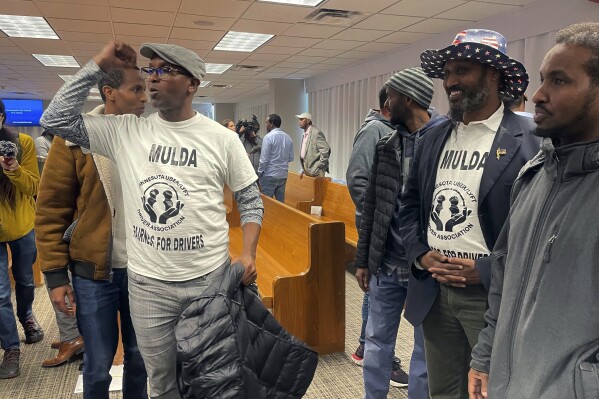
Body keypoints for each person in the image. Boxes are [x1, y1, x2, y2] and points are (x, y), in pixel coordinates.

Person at [40, 41, 263, 399]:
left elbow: (251, 200)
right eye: (151, 71)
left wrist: (249, 252)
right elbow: (55, 120)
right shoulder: (126, 131)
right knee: (159, 381)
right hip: (148, 287)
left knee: (211, 374)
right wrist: (98, 64)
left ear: (192, 84)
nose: (154, 79)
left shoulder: (222, 139)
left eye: (165, 71)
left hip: (208, 280)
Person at [398, 29, 540, 399]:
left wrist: (487, 270)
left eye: (462, 70)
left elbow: (539, 228)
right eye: (446, 73)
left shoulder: (532, 140)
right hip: (434, 291)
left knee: (495, 390)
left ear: (493, 75)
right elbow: (410, 204)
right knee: (443, 390)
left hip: (492, 296)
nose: (450, 82)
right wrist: (420, 253)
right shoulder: (432, 136)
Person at [469, 22, 599, 399]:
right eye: (543, 79)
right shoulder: (534, 175)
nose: (538, 95)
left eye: (559, 81)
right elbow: (504, 275)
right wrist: (485, 355)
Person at [36, 68, 148, 398]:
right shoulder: (71, 139)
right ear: (110, 92)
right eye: (136, 89)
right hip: (94, 272)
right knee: (97, 365)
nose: (145, 97)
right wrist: (55, 277)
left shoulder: (150, 138)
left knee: (140, 360)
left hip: (144, 271)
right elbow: (50, 210)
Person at [355, 68, 441, 398]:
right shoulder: (385, 144)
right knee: (377, 343)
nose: (385, 105)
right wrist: (363, 259)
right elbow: (373, 208)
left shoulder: (444, 139)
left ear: (408, 98)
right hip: (387, 264)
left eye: (390, 96)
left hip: (426, 267)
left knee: (424, 351)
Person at [346, 87, 395, 367]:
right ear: (389, 104)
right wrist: (381, 215)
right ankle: (366, 347)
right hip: (375, 223)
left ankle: (368, 347)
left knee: (379, 286)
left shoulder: (393, 131)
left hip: (385, 224)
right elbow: (357, 179)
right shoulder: (374, 130)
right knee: (376, 287)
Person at [0, 99, 44, 379]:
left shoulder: (22, 142)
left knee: (25, 280)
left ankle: (26, 314)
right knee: (0, 293)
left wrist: (12, 167)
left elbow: (34, 186)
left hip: (21, 225)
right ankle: (11, 348)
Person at [258, 114, 293, 202]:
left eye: (267, 123)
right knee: (280, 205)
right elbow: (291, 158)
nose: (266, 125)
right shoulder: (288, 138)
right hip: (283, 175)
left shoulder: (268, 137)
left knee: (267, 203)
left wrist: (259, 172)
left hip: (270, 175)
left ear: (272, 124)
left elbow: (263, 160)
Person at [296, 112, 330, 178]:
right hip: (308, 169)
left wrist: (320, 166)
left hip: (316, 171)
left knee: (318, 188)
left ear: (308, 120)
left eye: (301, 119)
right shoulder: (305, 133)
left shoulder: (316, 133)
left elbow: (326, 149)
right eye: (299, 120)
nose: (299, 122)